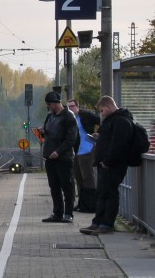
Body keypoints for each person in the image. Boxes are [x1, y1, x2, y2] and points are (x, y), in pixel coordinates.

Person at [82, 95, 135, 235]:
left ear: (108, 106)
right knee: (101, 193)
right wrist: (99, 138)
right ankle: (98, 222)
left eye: (102, 110)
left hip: (113, 165)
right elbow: (110, 139)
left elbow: (118, 144)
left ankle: (107, 224)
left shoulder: (121, 121)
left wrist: (107, 160)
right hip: (104, 164)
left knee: (110, 193)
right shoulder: (112, 120)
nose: (101, 114)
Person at [37, 91, 77, 223]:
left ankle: (68, 213)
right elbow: (48, 135)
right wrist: (44, 132)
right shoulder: (50, 117)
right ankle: (57, 212)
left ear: (55, 103)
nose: (48, 107)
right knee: (54, 186)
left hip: (63, 158)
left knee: (67, 186)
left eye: (49, 105)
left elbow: (71, 138)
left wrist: (59, 152)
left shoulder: (68, 116)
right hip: (50, 157)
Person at [66, 99, 100, 213]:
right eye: (69, 107)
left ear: (77, 106)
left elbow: (99, 121)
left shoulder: (85, 115)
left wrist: (96, 132)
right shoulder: (71, 119)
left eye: (72, 106)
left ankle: (90, 205)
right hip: (77, 151)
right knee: (79, 178)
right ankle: (81, 203)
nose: (71, 108)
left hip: (88, 148)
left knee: (88, 177)